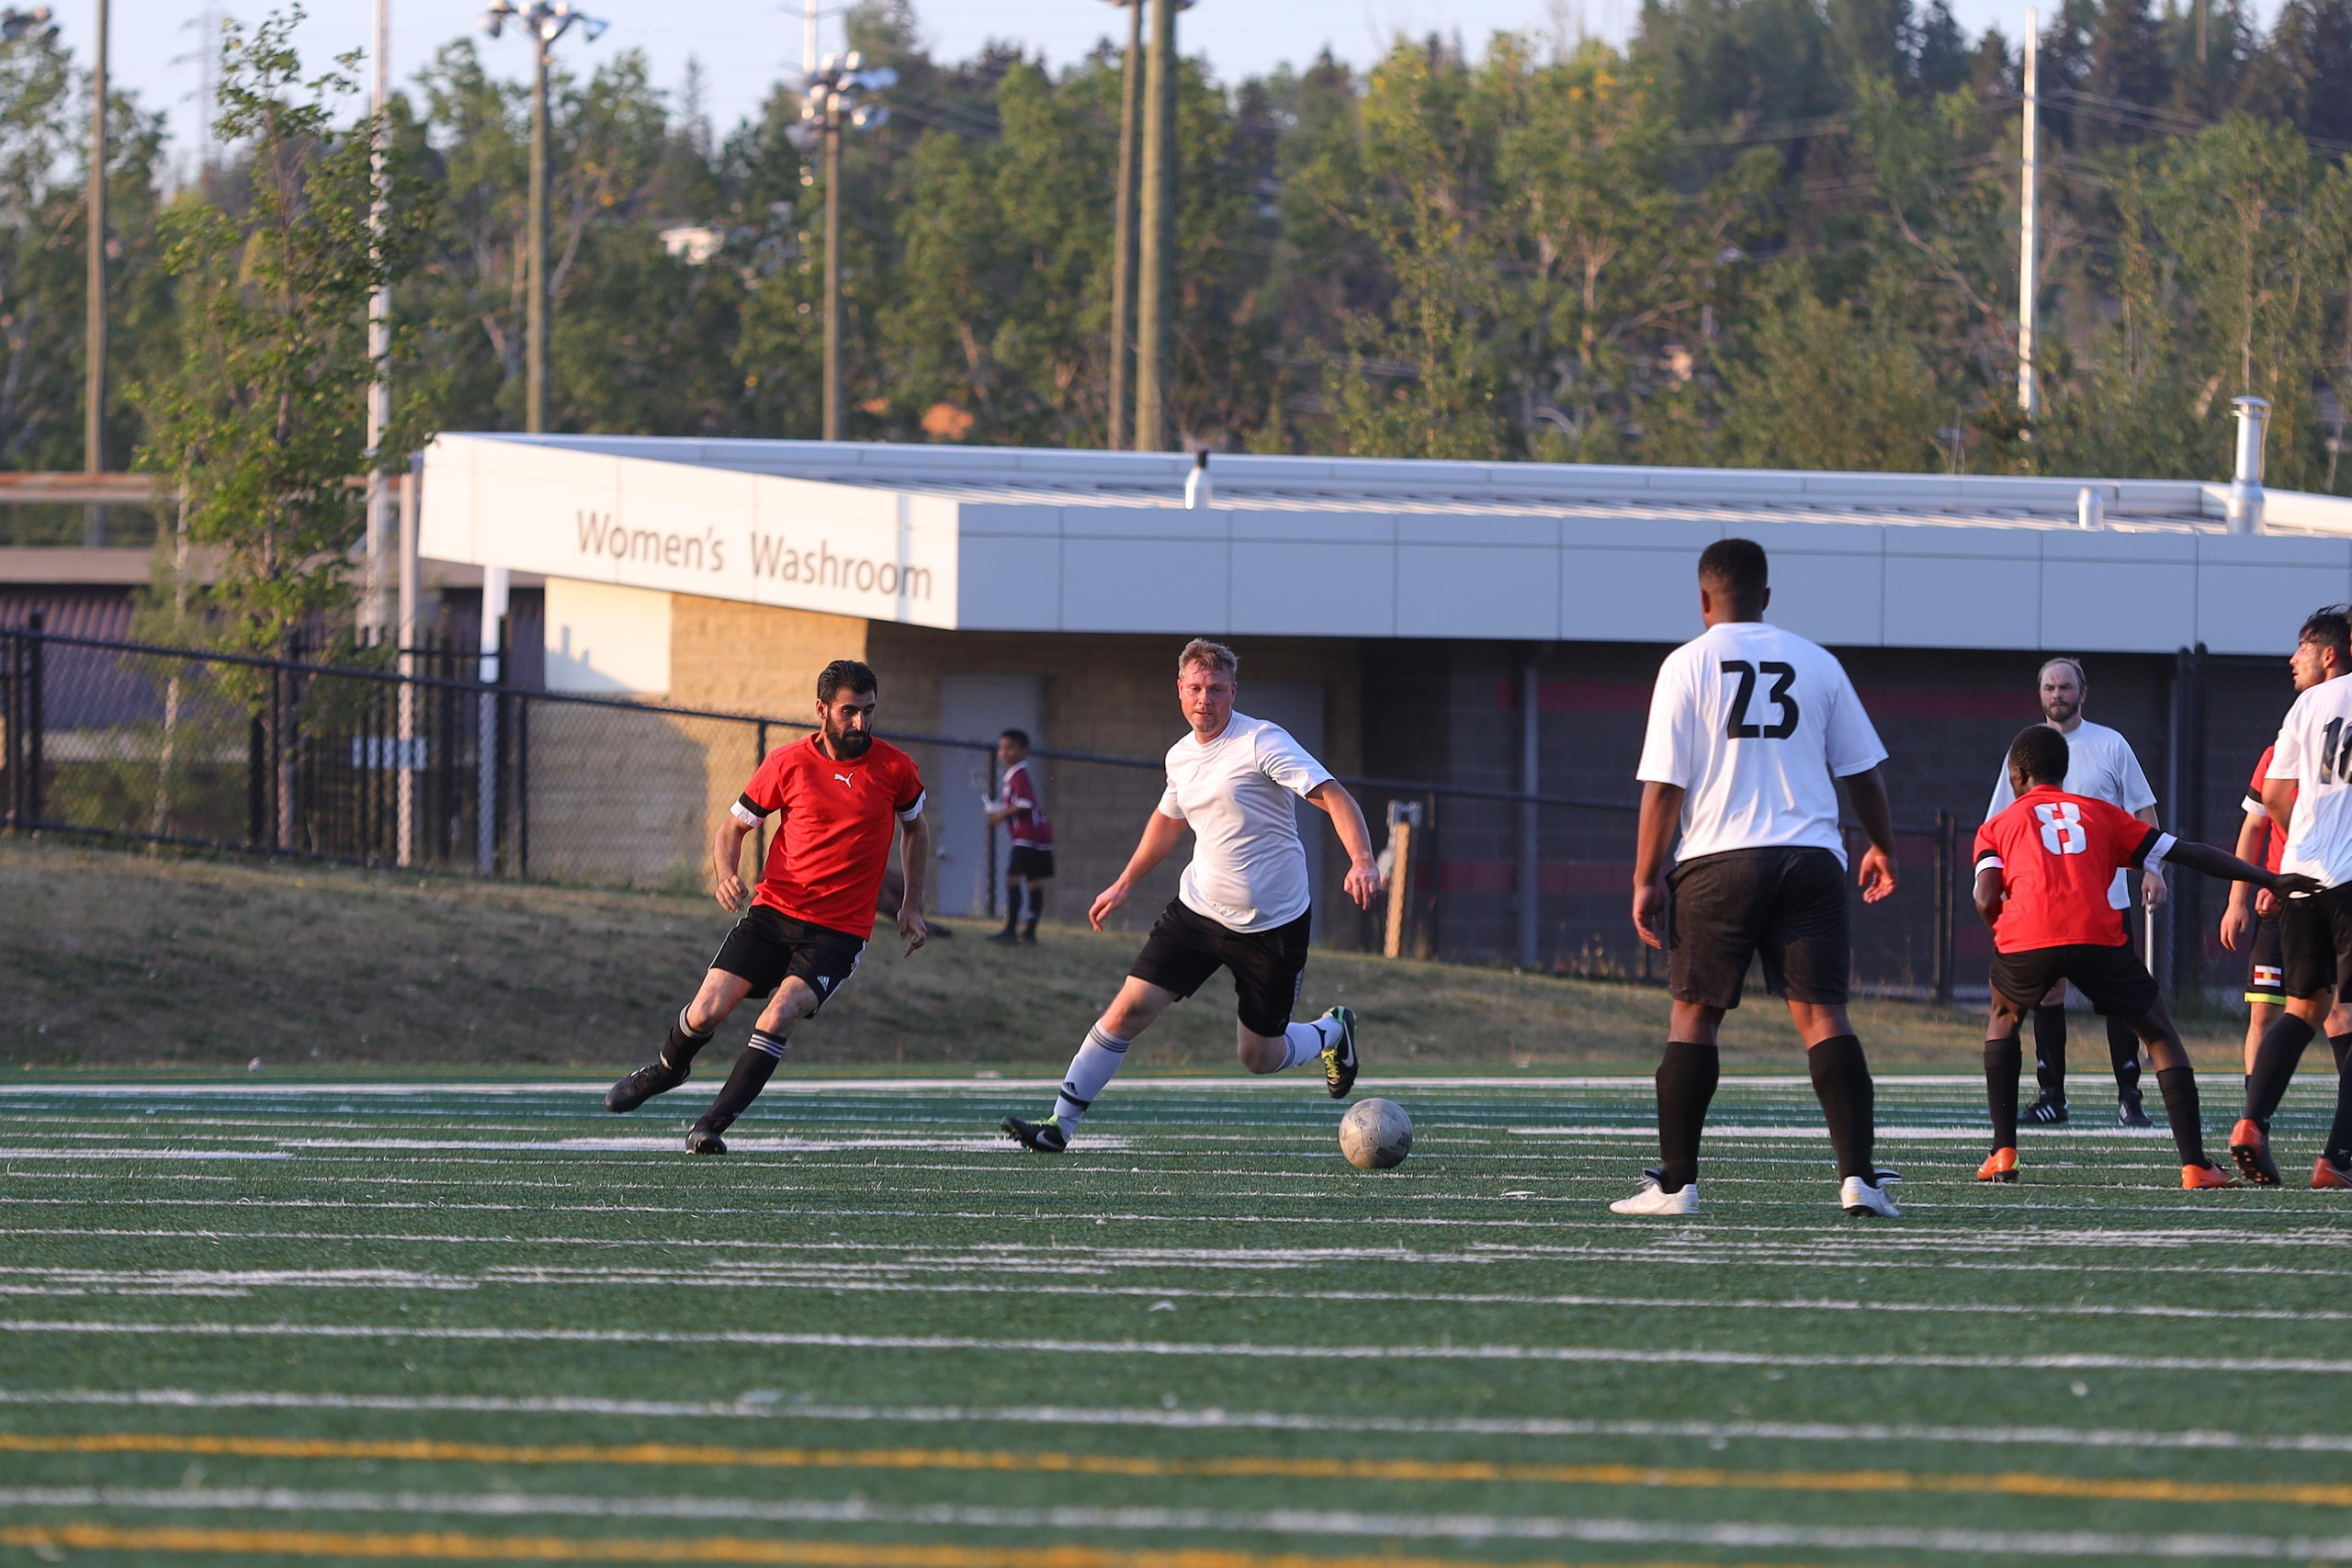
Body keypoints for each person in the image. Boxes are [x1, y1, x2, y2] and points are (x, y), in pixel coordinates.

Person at [1001, 638, 1385, 1152]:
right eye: (1196, 688)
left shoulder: (1261, 742)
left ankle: (1330, 1032)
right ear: (1180, 691)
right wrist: (1124, 882)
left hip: (1273, 924)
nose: (1205, 699)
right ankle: (1058, 1126)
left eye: (1217, 689)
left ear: (1233, 692)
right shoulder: (1179, 756)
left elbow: (1333, 796)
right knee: (1128, 1010)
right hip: (1198, 911)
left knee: (1259, 1057)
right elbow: (1167, 820)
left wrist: (1361, 859)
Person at [1620, 538, 1904, 1220]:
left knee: (1694, 1017)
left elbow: (1664, 786)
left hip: (1717, 859)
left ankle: (1677, 1186)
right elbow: (1862, 772)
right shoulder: (1817, 661)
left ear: (1703, 599)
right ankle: (1858, 1178)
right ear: (1767, 597)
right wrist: (1883, 847)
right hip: (1809, 857)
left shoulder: (1685, 664)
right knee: (1823, 1015)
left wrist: (1645, 878)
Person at [605, 660, 931, 1154]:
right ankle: (666, 1071)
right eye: (849, 712)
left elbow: (916, 829)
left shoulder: (895, 767)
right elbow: (732, 828)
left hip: (838, 931)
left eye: (868, 712)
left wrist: (911, 904)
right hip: (773, 913)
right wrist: (726, 873)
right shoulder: (786, 763)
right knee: (707, 1011)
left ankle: (709, 1126)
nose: (861, 724)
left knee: (780, 1014)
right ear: (821, 710)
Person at [1972, 725, 2309, 1189]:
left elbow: (1986, 895)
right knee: (2159, 1032)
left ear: (2017, 774)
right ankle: (2196, 1164)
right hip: (2097, 934)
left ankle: (2003, 1152)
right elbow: (2189, 854)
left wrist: (2004, 928)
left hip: (2028, 936)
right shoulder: (2101, 815)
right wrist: (2266, 878)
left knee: (2003, 1017)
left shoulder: (1998, 825)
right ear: (2064, 771)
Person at [1984, 658, 2165, 1129]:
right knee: (2047, 994)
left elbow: (2143, 810)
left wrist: (2153, 868)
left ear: (2083, 693)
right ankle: (2052, 1097)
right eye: (2049, 687)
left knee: (2121, 998)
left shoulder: (2110, 744)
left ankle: (2130, 1095)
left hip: (2104, 896)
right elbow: (1998, 826)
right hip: (2043, 901)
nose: (2057, 694)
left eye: (2066, 687)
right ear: (2039, 694)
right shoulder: (2022, 752)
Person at [2233, 607, 2352, 1190]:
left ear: (2333, 652)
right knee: (2345, 1014)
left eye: (2303, 646)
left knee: (2303, 1009)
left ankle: (2252, 1123)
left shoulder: (2306, 706)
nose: (2293, 657)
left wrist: (2304, 839)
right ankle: (2336, 1159)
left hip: (2302, 875)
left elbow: (2276, 798)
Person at [985, 728, 1053, 944]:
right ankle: (1029, 932)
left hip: (1028, 837)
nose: (1004, 753)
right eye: (1001, 748)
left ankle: (1011, 930)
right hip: (1038, 836)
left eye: (1010, 748)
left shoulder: (1018, 773)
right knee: (1033, 882)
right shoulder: (1016, 774)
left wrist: (1001, 815)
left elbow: (1025, 803)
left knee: (1012, 879)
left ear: (1024, 751)